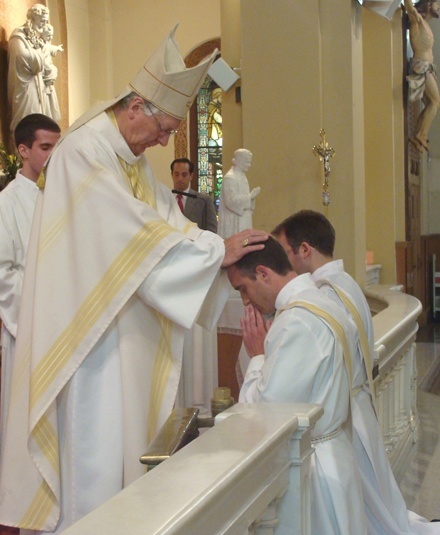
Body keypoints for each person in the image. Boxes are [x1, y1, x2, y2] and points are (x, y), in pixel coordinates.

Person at [0, 26, 268, 534]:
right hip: (88, 335)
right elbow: (132, 235)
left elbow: (167, 221)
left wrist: (215, 251)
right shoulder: (85, 151)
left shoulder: (133, 160)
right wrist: (214, 250)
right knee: (95, 446)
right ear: (136, 107)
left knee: (123, 443)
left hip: (120, 328)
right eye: (164, 127)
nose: (167, 140)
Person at [272, 209, 440, 534]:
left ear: (305, 250)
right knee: (377, 504)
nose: (285, 264)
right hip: (357, 403)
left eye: (286, 252)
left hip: (345, 410)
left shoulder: (324, 294)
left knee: (369, 509)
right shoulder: (344, 282)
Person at [227, 236, 367, 535]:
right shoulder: (320, 300)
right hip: (333, 453)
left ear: (263, 273)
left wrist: (257, 358)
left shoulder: (296, 321)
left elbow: (269, 413)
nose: (246, 300)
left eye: (243, 289)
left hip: (313, 466)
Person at [0, 113, 60, 448]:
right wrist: (45, 296)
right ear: (23, 150)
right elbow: (3, 273)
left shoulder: (63, 196)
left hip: (64, 321)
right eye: (46, 147)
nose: (54, 156)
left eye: (57, 147)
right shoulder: (6, 204)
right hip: (27, 326)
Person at [7, 4, 51, 132]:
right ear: (34, 17)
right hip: (25, 87)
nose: (44, 24)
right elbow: (22, 56)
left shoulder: (34, 38)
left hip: (36, 85)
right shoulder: (18, 35)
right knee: (26, 122)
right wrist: (40, 55)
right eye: (42, 21)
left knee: (37, 124)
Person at [405, 0, 440, 152]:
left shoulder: (427, 26)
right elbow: (409, 8)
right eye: (437, 4)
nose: (439, 7)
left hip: (428, 68)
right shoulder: (417, 20)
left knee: (430, 103)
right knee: (435, 101)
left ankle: (417, 134)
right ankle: (421, 133)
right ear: (428, 3)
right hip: (421, 66)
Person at [217, 148, 261, 239]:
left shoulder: (241, 176)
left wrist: (252, 198)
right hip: (234, 223)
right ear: (240, 161)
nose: (249, 165)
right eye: (247, 162)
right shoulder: (230, 177)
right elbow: (230, 201)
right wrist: (250, 197)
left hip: (244, 219)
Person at [170, 158, 217, 232]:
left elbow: (212, 232)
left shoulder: (203, 200)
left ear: (191, 176)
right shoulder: (164, 199)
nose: (180, 178)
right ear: (172, 175)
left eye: (184, 175)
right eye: (176, 174)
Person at [41, 23, 63, 122]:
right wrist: (50, 70)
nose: (50, 37)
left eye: (52, 36)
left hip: (48, 77)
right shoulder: (40, 44)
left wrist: (57, 48)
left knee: (50, 103)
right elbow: (41, 58)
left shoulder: (47, 44)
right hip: (44, 75)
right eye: (48, 35)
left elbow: (51, 48)